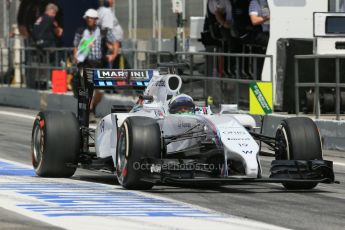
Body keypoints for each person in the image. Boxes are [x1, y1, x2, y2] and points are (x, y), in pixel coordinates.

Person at [73, 9, 117, 122]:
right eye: (87, 18)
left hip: (99, 64)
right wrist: (76, 58)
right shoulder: (81, 31)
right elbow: (76, 46)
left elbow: (114, 42)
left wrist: (113, 55)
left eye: (91, 18)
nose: (89, 20)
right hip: (85, 64)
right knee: (85, 89)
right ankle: (88, 111)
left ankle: (92, 107)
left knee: (100, 90)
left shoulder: (103, 32)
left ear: (96, 20)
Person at [97, 0, 123, 68]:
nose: (113, 1)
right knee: (111, 68)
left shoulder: (103, 10)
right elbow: (106, 30)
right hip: (111, 45)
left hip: (114, 45)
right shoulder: (106, 11)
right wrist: (109, 45)